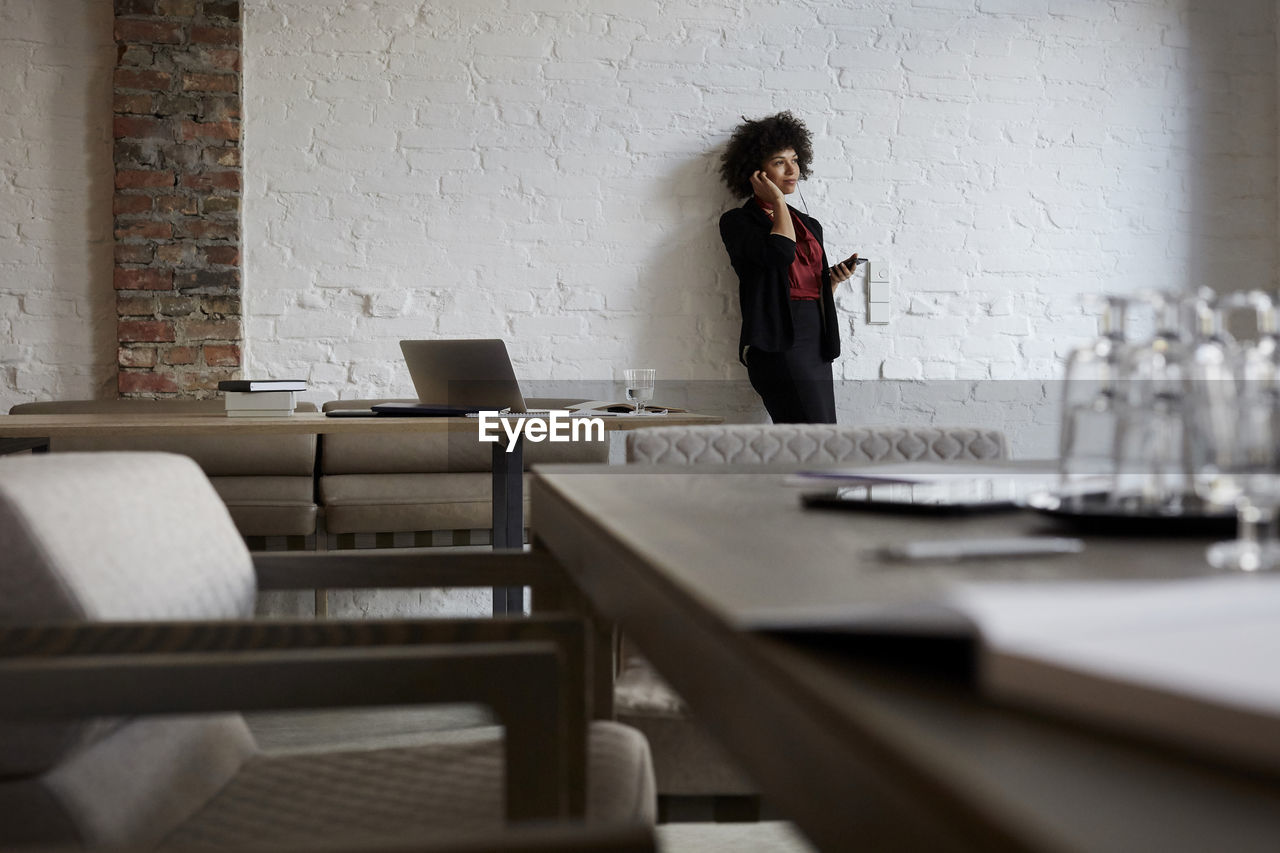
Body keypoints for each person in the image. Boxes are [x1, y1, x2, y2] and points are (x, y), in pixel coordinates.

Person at [718, 111, 857, 424]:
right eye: (779, 162)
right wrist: (778, 202)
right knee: (811, 439)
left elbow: (804, 283)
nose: (792, 170)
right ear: (757, 171)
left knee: (818, 436)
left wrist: (831, 282)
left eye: (794, 159)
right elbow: (780, 254)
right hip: (778, 340)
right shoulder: (738, 222)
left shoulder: (809, 224)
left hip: (816, 338)